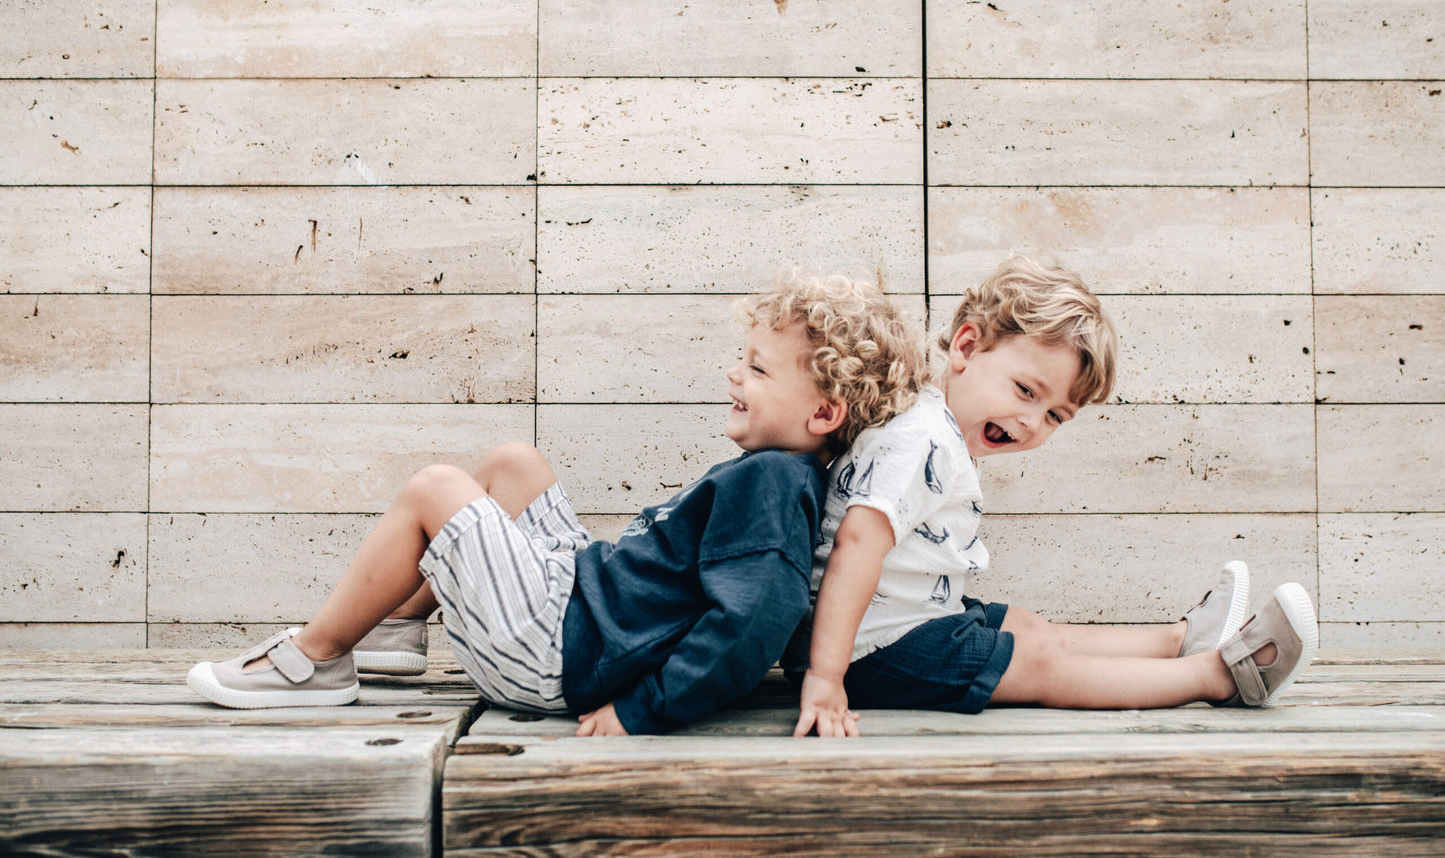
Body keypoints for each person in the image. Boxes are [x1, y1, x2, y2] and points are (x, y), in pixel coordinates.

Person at [187, 272, 928, 736]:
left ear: (823, 415)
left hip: (557, 655)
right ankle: (398, 629)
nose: (733, 373)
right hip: (579, 606)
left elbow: (749, 628)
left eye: (757, 368)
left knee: (435, 490)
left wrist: (641, 712)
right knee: (513, 464)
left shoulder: (771, 485)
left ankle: (316, 662)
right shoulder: (771, 472)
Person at [790, 255, 1319, 737]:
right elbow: (855, 545)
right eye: (1025, 392)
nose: (1030, 422)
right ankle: (1219, 677)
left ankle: (1179, 640)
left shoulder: (936, 427)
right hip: (867, 651)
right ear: (966, 347)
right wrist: (825, 675)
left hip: (891, 627)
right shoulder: (922, 441)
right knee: (1039, 663)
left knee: (1024, 627)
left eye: (1054, 417)